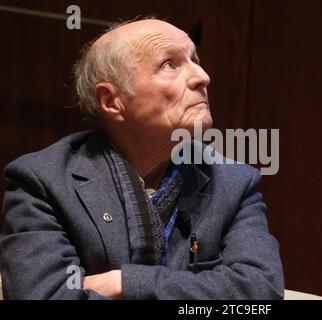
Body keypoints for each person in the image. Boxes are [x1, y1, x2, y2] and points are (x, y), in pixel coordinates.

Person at [0, 18, 284, 300]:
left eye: (195, 59)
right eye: (169, 64)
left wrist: (124, 282)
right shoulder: (43, 181)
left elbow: (261, 290)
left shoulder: (234, 182)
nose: (202, 76)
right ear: (112, 101)